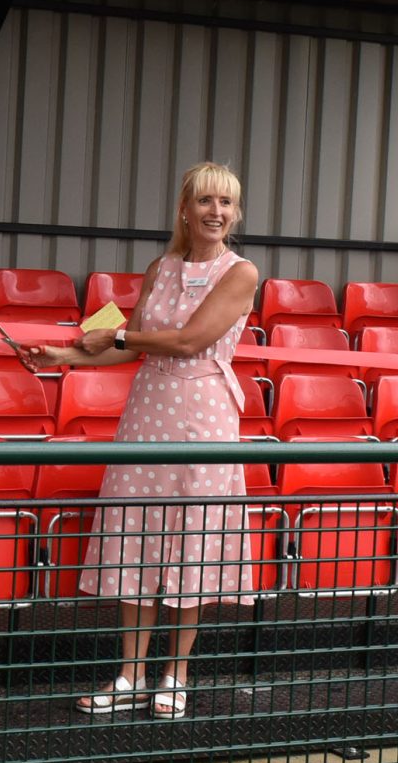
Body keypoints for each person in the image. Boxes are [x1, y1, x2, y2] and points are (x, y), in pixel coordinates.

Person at [20, 162, 259, 719]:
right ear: (184, 208)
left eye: (226, 203)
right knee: (139, 532)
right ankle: (131, 675)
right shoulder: (161, 267)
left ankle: (175, 677)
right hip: (148, 408)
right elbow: (131, 346)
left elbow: (188, 339)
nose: (216, 213)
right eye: (205, 201)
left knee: (190, 540)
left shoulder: (241, 272)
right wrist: (62, 355)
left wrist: (118, 333)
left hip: (203, 415)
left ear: (236, 212)